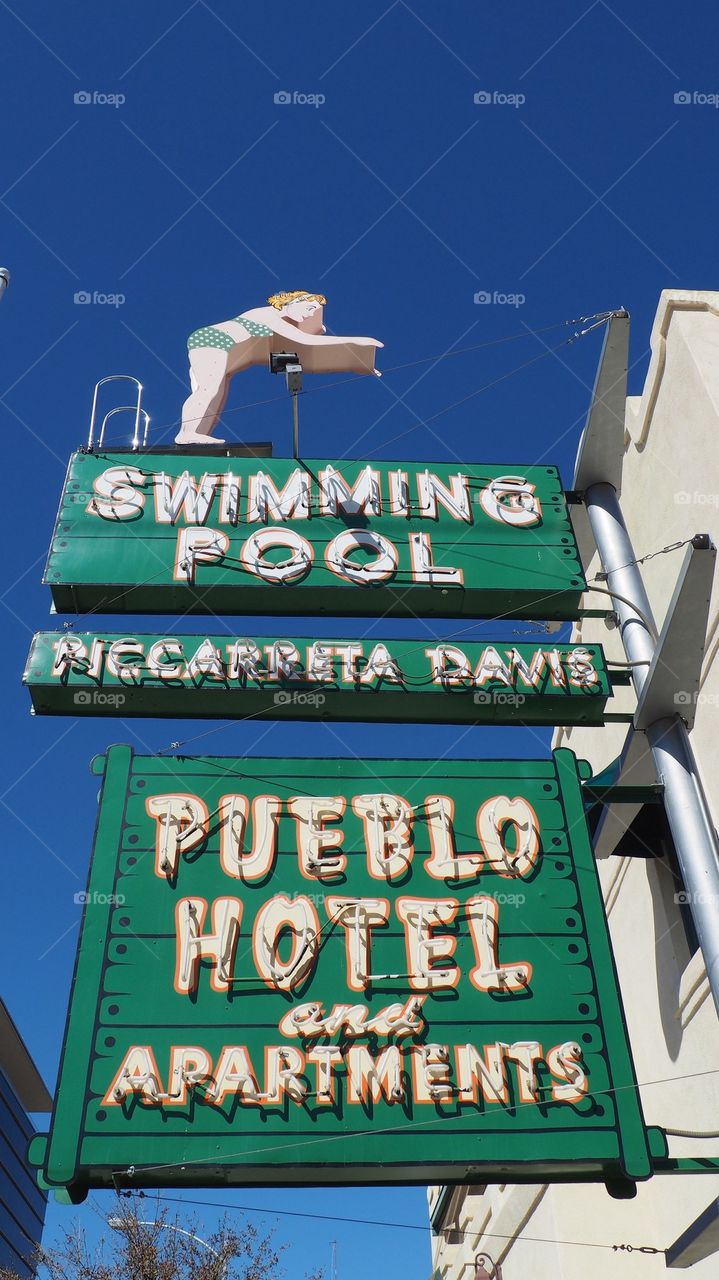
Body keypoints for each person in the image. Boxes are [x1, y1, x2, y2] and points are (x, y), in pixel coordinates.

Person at [175, 290, 383, 445]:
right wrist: (357, 341)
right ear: (296, 301)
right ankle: (187, 433)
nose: (310, 314)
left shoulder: (273, 330)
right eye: (309, 308)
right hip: (214, 340)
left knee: (216, 392)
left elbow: (302, 354)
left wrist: (359, 361)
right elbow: (304, 341)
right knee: (209, 389)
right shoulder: (270, 316)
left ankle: (196, 434)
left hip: (226, 350)